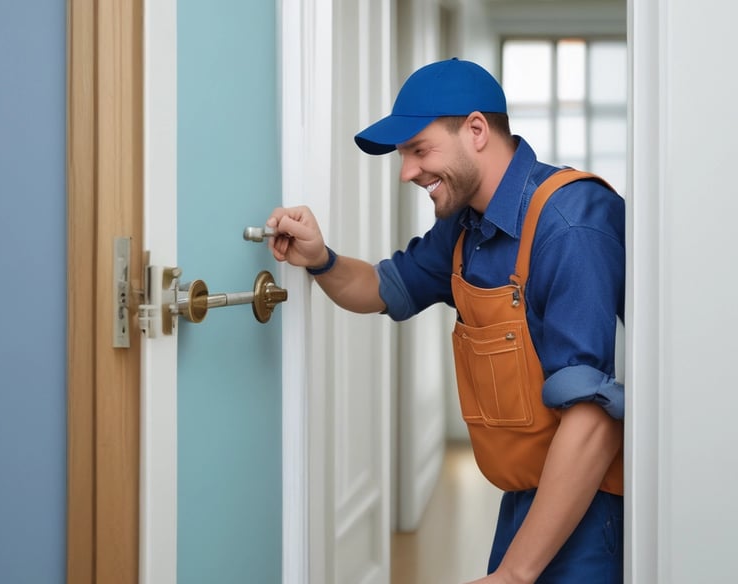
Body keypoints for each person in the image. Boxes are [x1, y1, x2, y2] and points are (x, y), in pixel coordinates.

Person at [267, 58, 625, 583]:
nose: (407, 171)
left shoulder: (570, 224)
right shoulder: (468, 226)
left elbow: (592, 420)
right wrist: (320, 257)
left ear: (476, 130)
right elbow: (382, 289)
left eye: (418, 149)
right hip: (528, 494)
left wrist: (513, 574)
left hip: (590, 504)